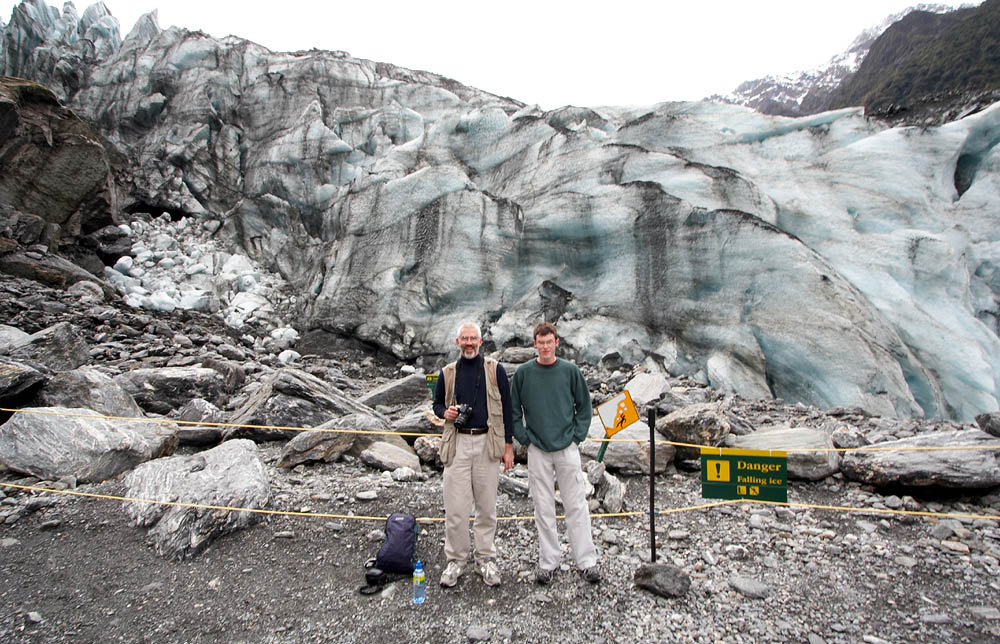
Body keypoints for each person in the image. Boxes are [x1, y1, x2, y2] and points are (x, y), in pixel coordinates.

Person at [511, 321, 600, 585]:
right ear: (534, 344)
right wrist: (525, 438)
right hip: (538, 449)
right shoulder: (524, 374)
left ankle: (587, 561)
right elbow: (514, 410)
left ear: (557, 343)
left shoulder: (570, 371)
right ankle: (548, 561)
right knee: (543, 506)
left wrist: (577, 437)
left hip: (567, 449)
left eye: (550, 342)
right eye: (541, 342)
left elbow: (585, 406)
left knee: (577, 504)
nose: (546, 346)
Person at [433, 322, 515, 587]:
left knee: (486, 506)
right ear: (457, 342)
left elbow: (508, 405)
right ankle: (456, 561)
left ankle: (485, 559)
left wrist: (508, 446)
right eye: (464, 339)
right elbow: (436, 404)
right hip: (457, 443)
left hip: (486, 443)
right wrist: (444, 413)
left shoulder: (495, 370)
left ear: (481, 342)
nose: (469, 343)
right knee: (456, 508)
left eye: (473, 339)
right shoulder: (447, 373)